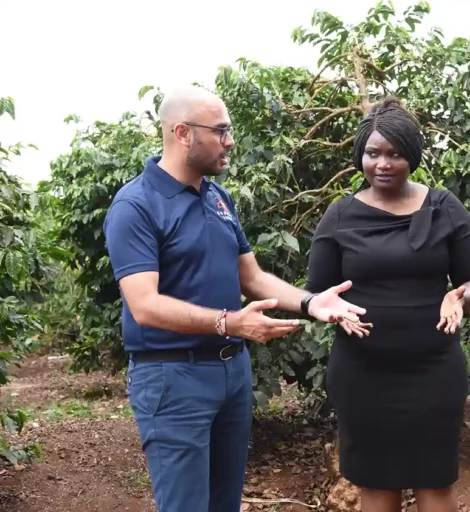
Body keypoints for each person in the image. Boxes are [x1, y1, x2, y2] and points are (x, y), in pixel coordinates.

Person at [103, 85, 365, 512]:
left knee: (224, 503)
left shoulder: (219, 197)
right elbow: (144, 305)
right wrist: (230, 322)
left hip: (231, 373)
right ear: (183, 132)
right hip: (173, 378)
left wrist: (311, 302)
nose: (230, 141)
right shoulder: (136, 205)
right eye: (221, 131)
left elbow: (252, 276)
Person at [305, 96, 470, 512]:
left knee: (434, 481)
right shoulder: (340, 216)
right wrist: (334, 309)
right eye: (373, 153)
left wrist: (462, 295)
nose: (383, 164)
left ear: (412, 157)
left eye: (395, 154)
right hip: (362, 372)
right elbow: (318, 293)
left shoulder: (444, 208)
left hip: (433, 369)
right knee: (375, 483)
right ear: (361, 156)